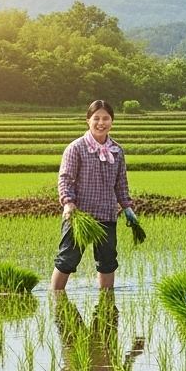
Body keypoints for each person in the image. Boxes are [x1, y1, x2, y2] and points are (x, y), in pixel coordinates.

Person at [53, 100, 137, 291]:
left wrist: (127, 207)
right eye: (96, 118)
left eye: (106, 118)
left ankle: (107, 303)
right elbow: (65, 178)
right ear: (88, 121)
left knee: (107, 261)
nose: (101, 123)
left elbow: (121, 183)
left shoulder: (117, 151)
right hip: (79, 216)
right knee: (67, 259)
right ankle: (56, 302)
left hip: (106, 214)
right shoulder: (76, 148)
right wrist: (68, 203)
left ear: (112, 121)